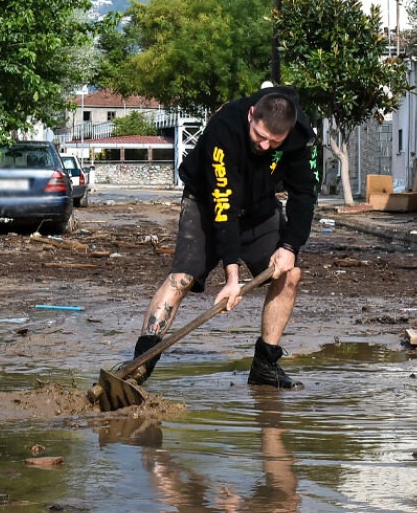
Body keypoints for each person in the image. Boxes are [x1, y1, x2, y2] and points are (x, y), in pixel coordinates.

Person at [133, 86, 317, 389]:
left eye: (275, 141)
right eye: (260, 136)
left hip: (260, 206)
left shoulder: (301, 136)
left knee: (290, 274)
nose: (266, 146)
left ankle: (265, 365)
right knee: (182, 278)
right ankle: (140, 364)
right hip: (206, 203)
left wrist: (289, 246)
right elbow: (223, 204)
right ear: (250, 116)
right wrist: (232, 276)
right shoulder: (225, 127)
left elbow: (305, 195)